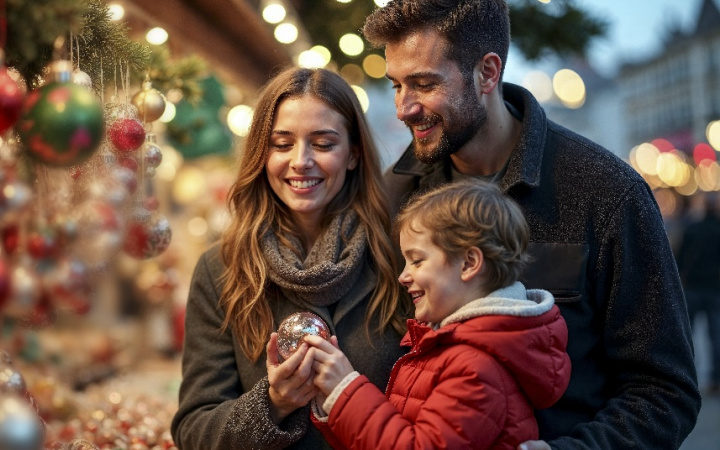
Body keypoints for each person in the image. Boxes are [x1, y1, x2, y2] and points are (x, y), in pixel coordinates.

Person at [361, 1, 701, 448]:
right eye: (396, 86)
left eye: (424, 84)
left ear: (487, 72)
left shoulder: (606, 191)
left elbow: (664, 390)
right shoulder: (393, 197)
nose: (404, 108)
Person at [170, 67, 412, 449]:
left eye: (323, 143)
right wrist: (272, 403)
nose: (301, 161)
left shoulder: (399, 257)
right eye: (282, 144)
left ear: (353, 155)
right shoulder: (222, 269)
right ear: (262, 155)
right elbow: (193, 431)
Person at [306, 180, 571, 449]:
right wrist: (331, 394)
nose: (403, 276)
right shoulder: (448, 348)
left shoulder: (475, 368)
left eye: (417, 260)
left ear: (469, 263)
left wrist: (346, 391)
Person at [676, 192, 720, 395]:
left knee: (686, 335)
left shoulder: (691, 229)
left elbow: (680, 259)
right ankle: (716, 379)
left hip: (692, 287)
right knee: (716, 337)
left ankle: (684, 377)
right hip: (715, 289)